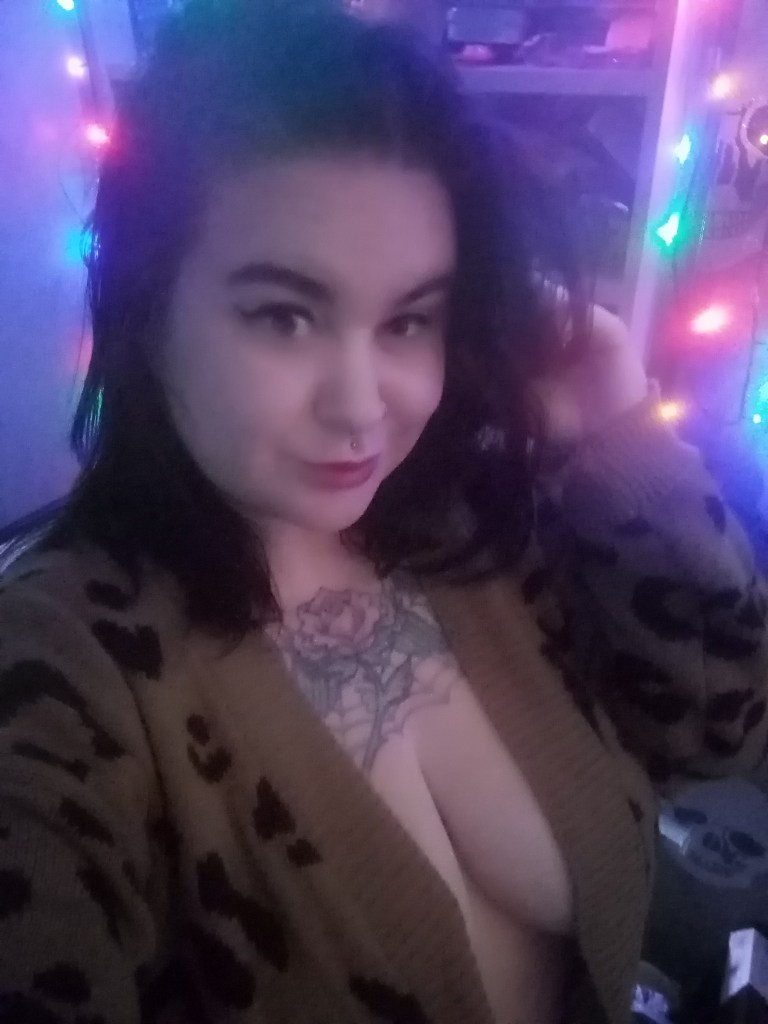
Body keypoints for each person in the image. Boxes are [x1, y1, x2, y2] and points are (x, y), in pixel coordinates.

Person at [0, 2, 765, 1023]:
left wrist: (619, 429)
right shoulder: (62, 664)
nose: (364, 406)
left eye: (409, 319)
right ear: (147, 310)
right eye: (284, 315)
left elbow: (717, 737)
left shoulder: (470, 528)